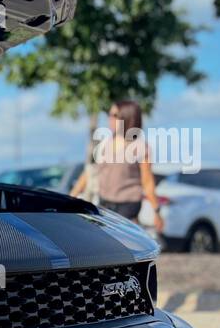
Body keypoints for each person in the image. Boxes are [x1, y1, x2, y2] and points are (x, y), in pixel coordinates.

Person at [70, 99, 163, 232]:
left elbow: (147, 182)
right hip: (104, 203)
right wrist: (72, 196)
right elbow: (90, 173)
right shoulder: (105, 143)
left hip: (128, 205)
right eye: (109, 115)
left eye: (114, 116)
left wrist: (156, 211)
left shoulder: (140, 147)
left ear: (127, 118)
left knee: (120, 242)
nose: (109, 119)